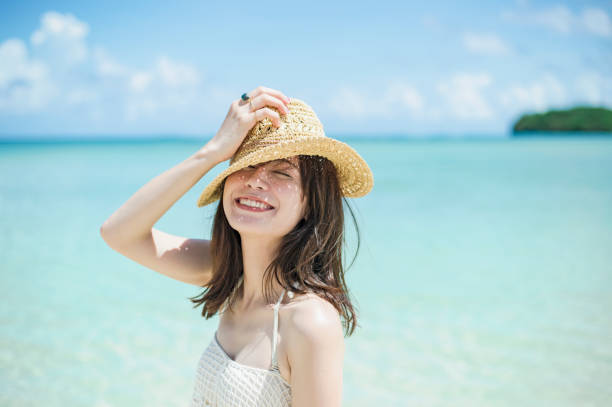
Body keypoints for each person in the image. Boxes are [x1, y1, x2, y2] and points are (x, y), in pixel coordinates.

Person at [100, 86, 374, 406]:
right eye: (245, 166)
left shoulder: (308, 322)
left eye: (281, 171)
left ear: (311, 203)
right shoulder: (229, 276)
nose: (256, 181)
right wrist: (213, 151)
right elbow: (118, 232)